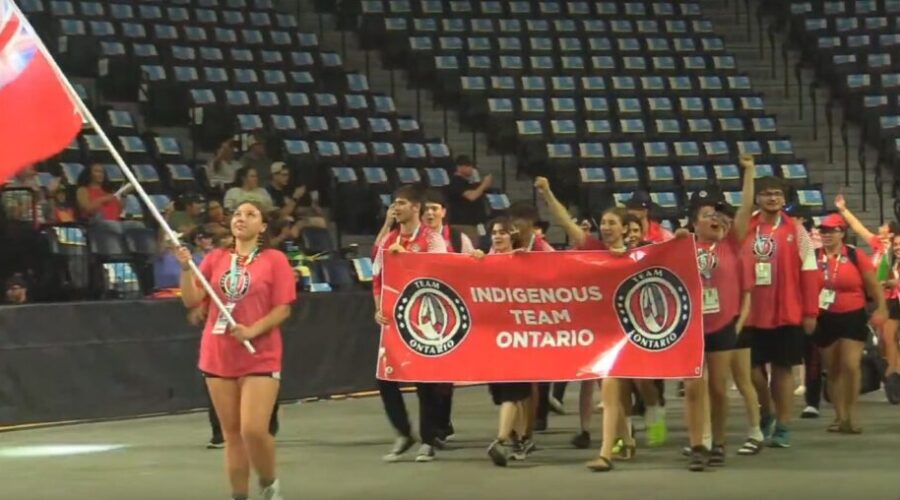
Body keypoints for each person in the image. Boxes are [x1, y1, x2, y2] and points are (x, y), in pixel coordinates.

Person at [176, 200, 296, 500]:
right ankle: (238, 495)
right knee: (232, 435)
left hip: (260, 354)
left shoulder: (275, 259)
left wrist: (253, 330)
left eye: (251, 214)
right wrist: (185, 269)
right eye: (238, 214)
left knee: (253, 430)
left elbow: (283, 309)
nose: (242, 218)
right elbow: (192, 300)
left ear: (263, 226)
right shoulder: (216, 257)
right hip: (218, 353)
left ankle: (269, 484)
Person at [533, 176, 637, 472]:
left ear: (625, 229)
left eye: (612, 223)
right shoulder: (590, 246)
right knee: (611, 391)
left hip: (623, 333)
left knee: (610, 389)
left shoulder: (637, 254)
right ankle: (625, 440)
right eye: (603, 222)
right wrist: (548, 192)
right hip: (595, 331)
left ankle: (606, 453)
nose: (605, 227)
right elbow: (565, 222)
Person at [682, 156, 755, 471]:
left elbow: (744, 209)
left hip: (722, 323)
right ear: (695, 221)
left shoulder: (731, 244)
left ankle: (720, 442)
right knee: (694, 388)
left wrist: (749, 172)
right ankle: (698, 444)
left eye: (717, 213)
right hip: (690, 327)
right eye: (706, 214)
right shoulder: (682, 245)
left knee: (718, 388)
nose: (714, 218)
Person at [372, 185, 448, 463]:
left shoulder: (432, 239)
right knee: (383, 377)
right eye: (394, 203)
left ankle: (428, 440)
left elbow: (441, 273)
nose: (396, 208)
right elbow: (377, 279)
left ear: (416, 207)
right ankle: (403, 432)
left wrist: (407, 260)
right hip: (393, 320)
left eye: (402, 203)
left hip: (424, 318)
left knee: (424, 380)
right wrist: (378, 309)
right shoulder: (387, 240)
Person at [744, 175, 821, 448]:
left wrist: (811, 311)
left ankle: (783, 426)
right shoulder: (745, 227)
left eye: (777, 193)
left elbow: (810, 272)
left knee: (783, 368)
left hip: (787, 312)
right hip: (749, 313)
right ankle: (766, 412)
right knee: (751, 371)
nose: (772, 198)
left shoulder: (797, 231)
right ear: (757, 198)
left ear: (784, 198)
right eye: (766, 194)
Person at [812, 214, 887, 433]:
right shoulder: (813, 256)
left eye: (831, 231)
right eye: (823, 231)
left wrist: (881, 308)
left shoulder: (855, 255)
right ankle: (839, 415)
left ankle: (852, 415)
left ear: (841, 233)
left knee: (851, 366)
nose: (825, 235)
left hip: (852, 314)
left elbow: (873, 285)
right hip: (823, 316)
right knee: (833, 369)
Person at [468, 217, 533, 466]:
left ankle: (501, 440)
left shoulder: (524, 261)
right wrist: (474, 262)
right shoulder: (484, 261)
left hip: (519, 338)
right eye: (494, 232)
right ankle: (517, 439)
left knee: (511, 392)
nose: (497, 236)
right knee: (503, 394)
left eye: (503, 233)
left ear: (512, 236)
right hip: (493, 339)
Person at [836, 195, 900, 402]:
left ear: (892, 234)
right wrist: (843, 210)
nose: (879, 231)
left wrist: (892, 283)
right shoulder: (879, 247)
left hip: (892, 299)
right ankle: (890, 376)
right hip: (880, 298)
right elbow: (859, 228)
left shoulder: (894, 251)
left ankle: (893, 376)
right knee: (882, 341)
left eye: (884, 229)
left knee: (889, 339)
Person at [448, 155, 492, 242]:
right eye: (468, 166)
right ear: (460, 167)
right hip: (462, 224)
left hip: (473, 224)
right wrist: (484, 185)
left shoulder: (468, 183)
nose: (471, 169)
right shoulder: (456, 182)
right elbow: (472, 196)